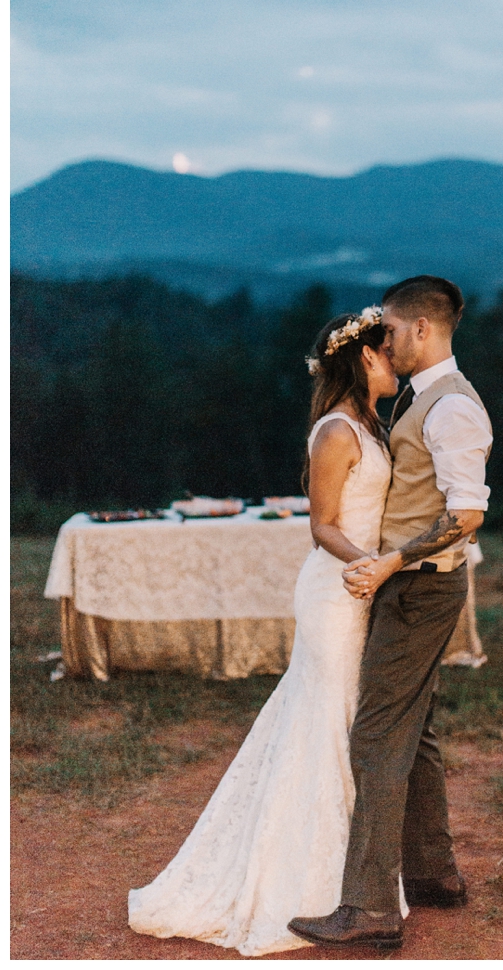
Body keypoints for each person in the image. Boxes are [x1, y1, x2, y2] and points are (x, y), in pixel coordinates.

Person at [127, 306, 401, 956]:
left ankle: (360, 882)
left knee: (345, 723)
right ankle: (317, 885)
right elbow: (323, 526)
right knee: (329, 725)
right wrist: (372, 566)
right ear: (364, 358)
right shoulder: (337, 431)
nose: (398, 363)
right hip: (336, 591)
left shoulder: (374, 424)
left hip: (365, 588)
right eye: (389, 352)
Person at [289, 274, 492, 952]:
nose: (390, 341)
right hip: (409, 585)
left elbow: (467, 514)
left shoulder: (452, 407)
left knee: (377, 736)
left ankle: (371, 907)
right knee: (419, 729)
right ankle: (435, 876)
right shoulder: (419, 400)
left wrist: (391, 563)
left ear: (422, 330)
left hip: (418, 587)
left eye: (396, 330)